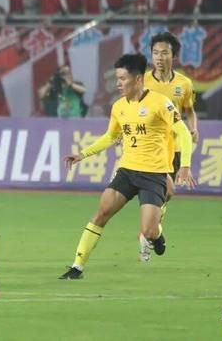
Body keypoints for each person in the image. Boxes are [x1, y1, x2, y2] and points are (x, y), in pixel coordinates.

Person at [59, 53, 196, 280]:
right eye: (117, 78)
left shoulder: (160, 103)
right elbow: (111, 136)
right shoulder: (119, 106)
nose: (118, 84)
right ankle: (77, 267)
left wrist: (185, 166)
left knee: (148, 230)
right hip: (127, 171)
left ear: (138, 79)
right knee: (102, 212)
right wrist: (82, 154)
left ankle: (156, 236)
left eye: (123, 79)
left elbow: (183, 132)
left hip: (154, 174)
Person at [143, 32, 199, 225]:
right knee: (157, 188)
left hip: (174, 145)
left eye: (164, 53)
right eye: (155, 53)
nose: (159, 57)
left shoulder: (184, 83)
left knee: (167, 192)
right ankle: (150, 227)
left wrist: (193, 128)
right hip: (149, 145)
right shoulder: (142, 82)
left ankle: (153, 226)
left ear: (174, 55)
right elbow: (129, 108)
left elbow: (189, 110)